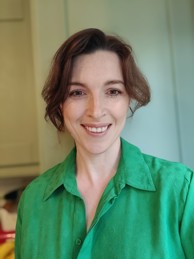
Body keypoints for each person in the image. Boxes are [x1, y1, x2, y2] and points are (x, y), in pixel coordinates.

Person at [15, 28, 194, 259]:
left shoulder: (181, 189)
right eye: (77, 93)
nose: (96, 111)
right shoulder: (32, 200)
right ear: (60, 103)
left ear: (128, 98)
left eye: (112, 91)